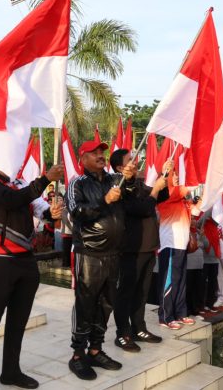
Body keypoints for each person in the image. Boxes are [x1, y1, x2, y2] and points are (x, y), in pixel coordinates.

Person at [0, 164, 63, 390]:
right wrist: (43, 180)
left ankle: (10, 372)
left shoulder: (21, 183)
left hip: (26, 261)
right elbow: (11, 199)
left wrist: (52, 213)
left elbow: (40, 209)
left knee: (17, 322)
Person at [66, 140, 135, 381]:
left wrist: (131, 177)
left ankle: (95, 349)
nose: (100, 156)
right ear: (82, 158)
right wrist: (104, 201)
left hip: (113, 254)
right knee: (86, 304)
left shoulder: (113, 180)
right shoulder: (77, 183)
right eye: (94, 153)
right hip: (89, 253)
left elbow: (132, 194)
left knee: (106, 304)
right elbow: (76, 213)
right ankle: (77, 355)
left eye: (102, 152)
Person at [111, 149, 169, 353]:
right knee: (126, 292)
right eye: (130, 160)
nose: (135, 162)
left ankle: (139, 328)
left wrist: (165, 177)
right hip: (131, 249)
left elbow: (159, 197)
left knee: (142, 292)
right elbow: (141, 207)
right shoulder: (118, 186)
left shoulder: (139, 184)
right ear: (120, 167)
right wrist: (154, 192)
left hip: (149, 246)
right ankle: (122, 333)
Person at [156, 167, 197, 328]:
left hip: (181, 245)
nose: (178, 178)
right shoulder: (166, 196)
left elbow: (198, 209)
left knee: (180, 281)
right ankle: (165, 316)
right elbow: (190, 186)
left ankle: (180, 313)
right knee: (170, 281)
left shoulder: (182, 201)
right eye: (175, 176)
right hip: (169, 245)